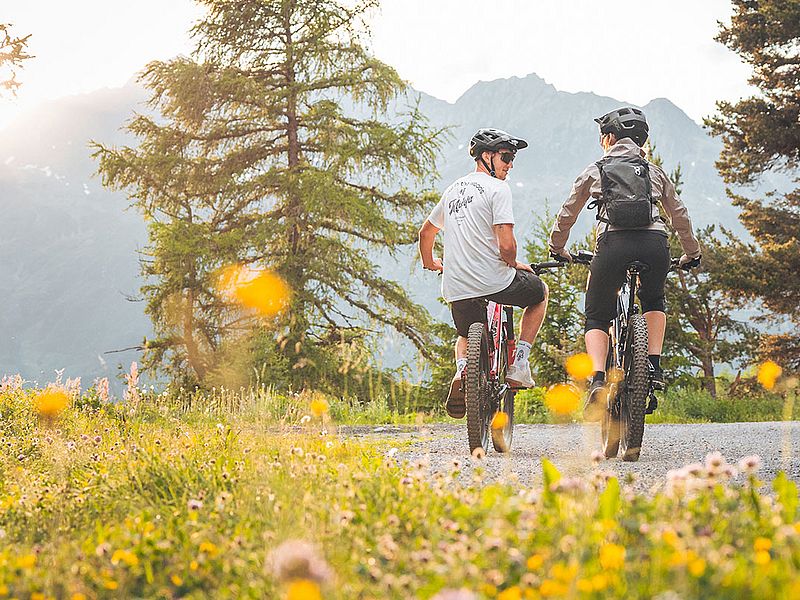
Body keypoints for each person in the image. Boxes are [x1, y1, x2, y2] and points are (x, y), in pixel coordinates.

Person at [548, 107, 701, 420]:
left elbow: (568, 213)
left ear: (609, 137)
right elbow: (680, 215)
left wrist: (557, 248)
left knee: (597, 313)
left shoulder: (596, 169)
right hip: (654, 245)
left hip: (612, 246)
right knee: (654, 299)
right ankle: (653, 365)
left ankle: (598, 378)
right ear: (641, 139)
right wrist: (691, 253)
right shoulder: (653, 171)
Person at [419, 128, 549, 418]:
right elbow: (506, 244)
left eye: (512, 158)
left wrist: (431, 263)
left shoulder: (452, 190)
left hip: (456, 285)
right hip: (495, 280)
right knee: (539, 293)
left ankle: (463, 371)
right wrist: (515, 264)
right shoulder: (498, 189)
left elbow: (426, 233)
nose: (510, 164)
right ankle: (519, 364)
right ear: (486, 156)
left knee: (465, 333)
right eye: (505, 157)